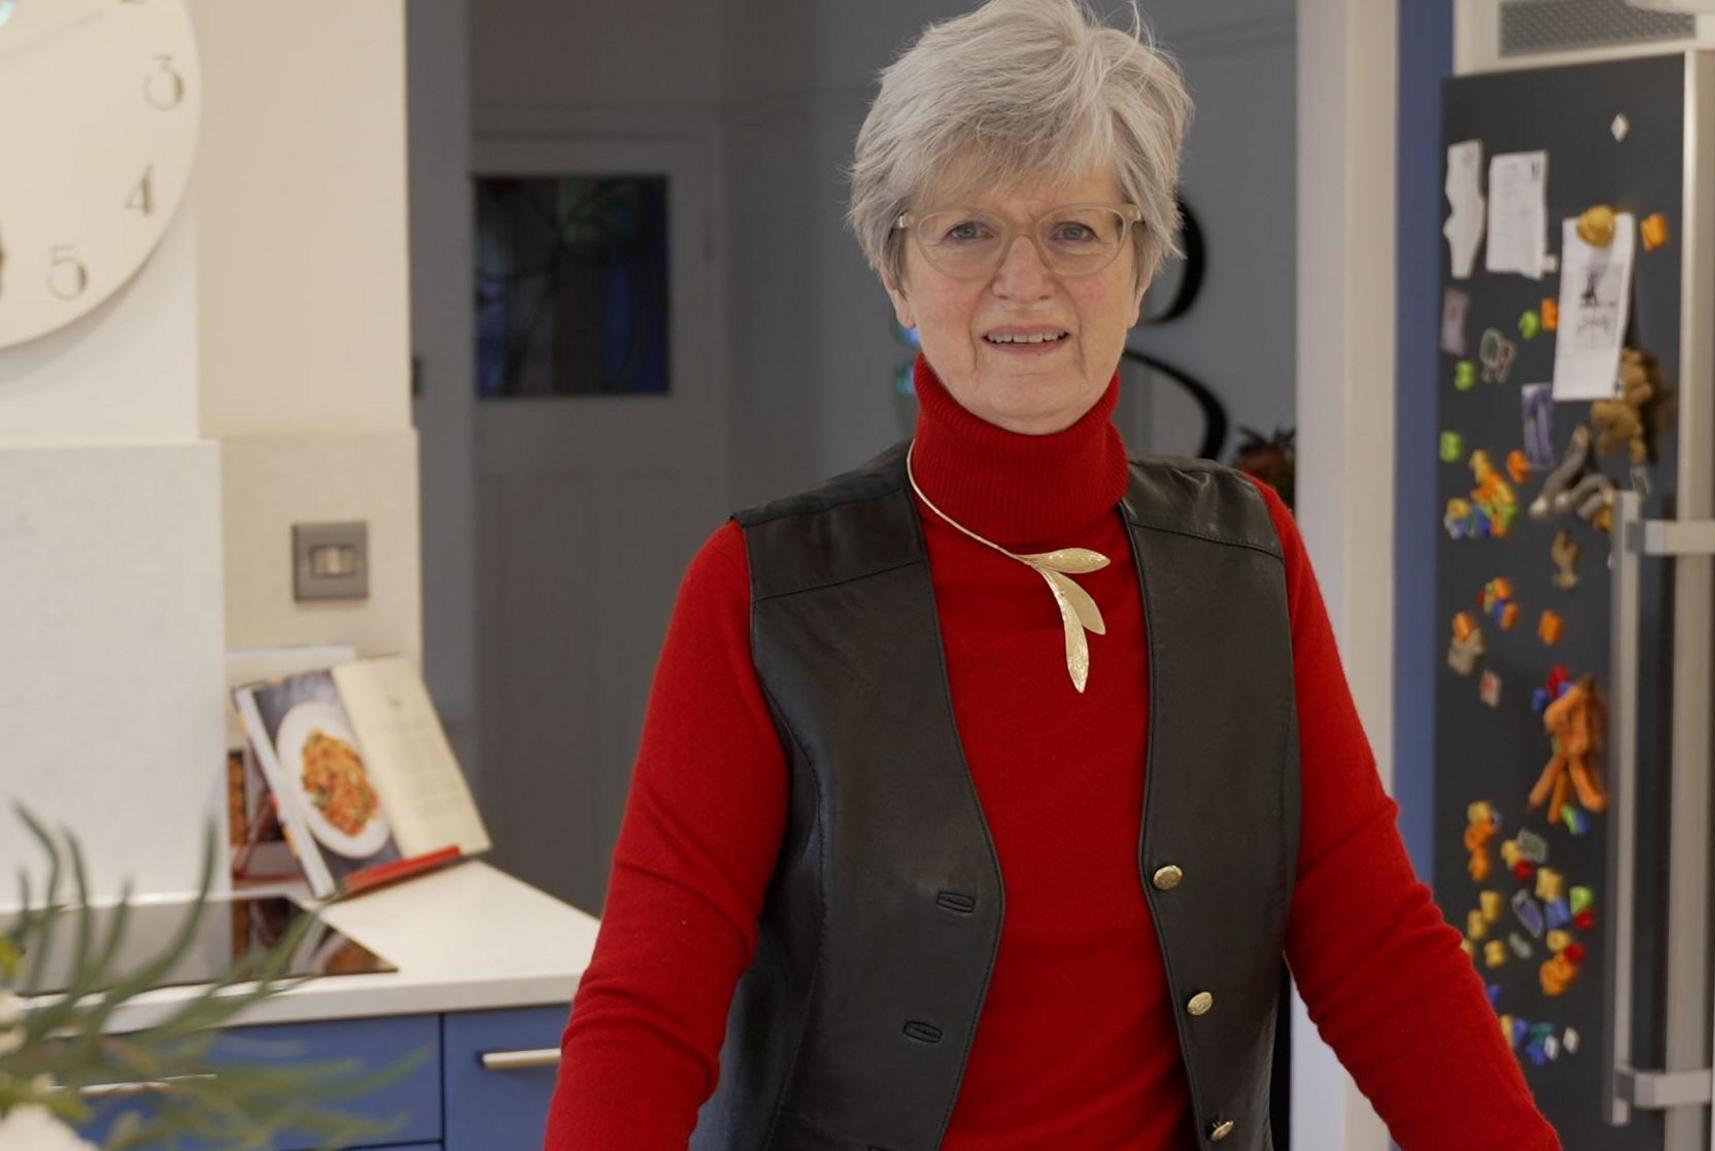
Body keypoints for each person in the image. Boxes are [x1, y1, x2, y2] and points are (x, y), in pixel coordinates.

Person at [543, 1, 1560, 1147]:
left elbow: (1371, 938)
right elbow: (649, 999)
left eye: (1076, 230)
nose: (1023, 282)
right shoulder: (763, 591)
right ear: (895, 272)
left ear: (1139, 264)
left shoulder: (1245, 557)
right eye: (967, 230)